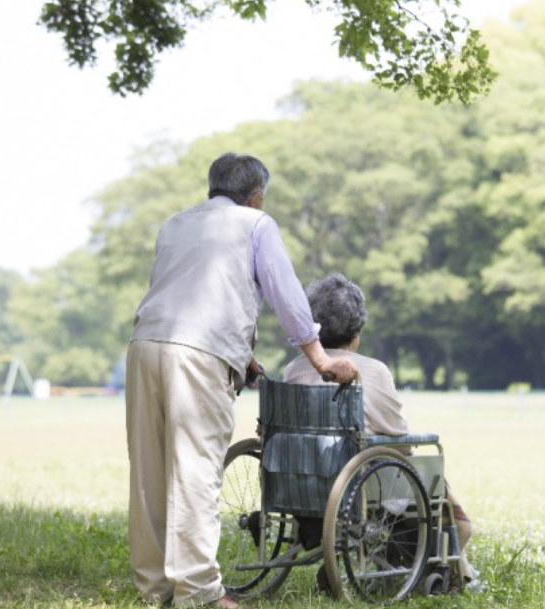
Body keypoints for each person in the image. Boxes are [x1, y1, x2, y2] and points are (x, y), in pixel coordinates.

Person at [125, 153, 357, 608]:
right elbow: (285, 294)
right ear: (255, 196)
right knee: (195, 468)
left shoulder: (175, 224)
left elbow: (184, 291)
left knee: (149, 472)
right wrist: (321, 359)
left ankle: (156, 590)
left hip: (146, 343)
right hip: (199, 354)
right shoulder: (255, 223)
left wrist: (244, 354)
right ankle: (202, 594)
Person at [283, 273, 481, 591]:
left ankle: (435, 567)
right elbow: (397, 435)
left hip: (302, 481)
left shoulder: (292, 370)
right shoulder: (372, 370)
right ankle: (459, 572)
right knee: (446, 502)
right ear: (357, 332)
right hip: (363, 483)